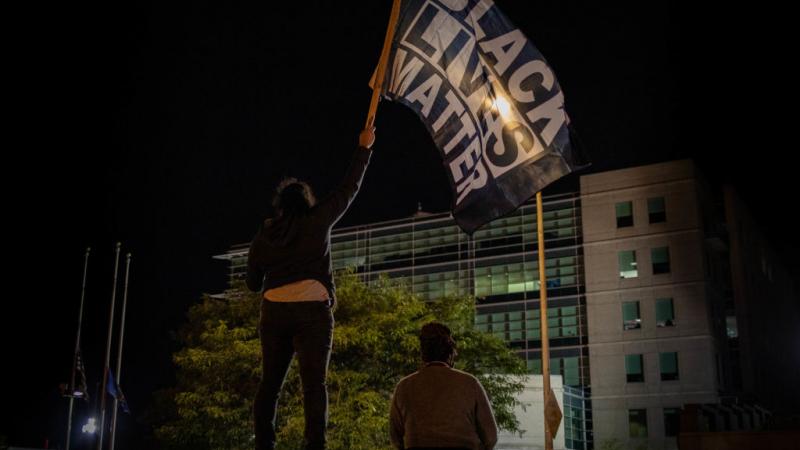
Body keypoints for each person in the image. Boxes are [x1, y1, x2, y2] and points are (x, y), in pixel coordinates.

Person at [247, 126, 375, 450]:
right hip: (312, 311)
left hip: (273, 309)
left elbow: (251, 282)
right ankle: (314, 444)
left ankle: (265, 443)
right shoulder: (317, 220)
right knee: (313, 385)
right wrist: (364, 148)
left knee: (270, 385)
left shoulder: (265, 234)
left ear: (280, 205)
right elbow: (349, 188)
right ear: (307, 201)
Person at [390, 322, 498, 450]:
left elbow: (395, 439)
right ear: (450, 354)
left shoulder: (404, 387)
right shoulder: (470, 383)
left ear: (423, 355)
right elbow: (491, 437)